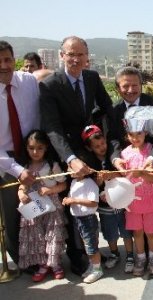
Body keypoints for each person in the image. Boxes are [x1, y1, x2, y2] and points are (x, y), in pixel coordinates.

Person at [39, 36, 117, 276]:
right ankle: (77, 257)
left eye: (80, 54)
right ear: (62, 55)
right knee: (72, 208)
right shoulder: (50, 84)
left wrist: (101, 136)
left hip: (90, 151)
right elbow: (52, 126)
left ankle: (94, 250)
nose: (75, 59)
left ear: (87, 56)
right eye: (70, 54)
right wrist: (70, 157)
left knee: (92, 204)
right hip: (66, 155)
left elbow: (106, 107)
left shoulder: (92, 77)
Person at [0, 40, 39, 270]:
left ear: (14, 60)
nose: (3, 66)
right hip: (5, 160)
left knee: (37, 208)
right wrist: (17, 170)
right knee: (13, 213)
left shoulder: (29, 82)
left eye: (7, 60)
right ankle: (22, 261)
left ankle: (42, 255)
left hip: (34, 153)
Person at [81, 125, 134, 273]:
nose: (101, 147)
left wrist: (111, 175)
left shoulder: (115, 157)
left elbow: (124, 175)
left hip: (122, 205)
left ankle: (130, 255)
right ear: (90, 148)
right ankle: (114, 254)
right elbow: (92, 186)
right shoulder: (91, 164)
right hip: (104, 208)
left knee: (126, 231)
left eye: (103, 143)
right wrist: (98, 181)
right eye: (97, 146)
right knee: (109, 232)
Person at [17, 130, 67, 282]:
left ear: (46, 148)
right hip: (33, 206)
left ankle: (56, 264)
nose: (35, 152)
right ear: (26, 148)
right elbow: (21, 186)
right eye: (31, 148)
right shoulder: (24, 168)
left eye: (39, 148)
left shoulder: (52, 165)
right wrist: (21, 194)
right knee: (37, 236)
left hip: (51, 206)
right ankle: (43, 265)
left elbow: (63, 184)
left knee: (52, 234)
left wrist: (50, 190)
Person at [120, 106, 153, 277]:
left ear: (145, 132)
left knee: (151, 232)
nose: (135, 137)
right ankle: (140, 257)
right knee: (137, 231)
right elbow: (124, 179)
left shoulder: (152, 150)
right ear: (127, 135)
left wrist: (143, 173)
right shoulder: (124, 154)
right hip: (132, 203)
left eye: (139, 133)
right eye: (131, 134)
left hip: (151, 202)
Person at [111, 66, 153, 163]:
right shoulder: (113, 110)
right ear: (118, 88)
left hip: (152, 164)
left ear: (141, 85)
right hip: (124, 163)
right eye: (125, 86)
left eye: (134, 85)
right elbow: (112, 139)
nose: (130, 90)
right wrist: (116, 159)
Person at [62, 173, 102, 284]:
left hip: (88, 219)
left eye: (72, 167)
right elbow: (71, 197)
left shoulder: (89, 183)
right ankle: (92, 265)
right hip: (78, 219)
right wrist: (67, 199)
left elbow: (93, 203)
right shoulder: (74, 182)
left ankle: (97, 269)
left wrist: (74, 200)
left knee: (91, 245)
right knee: (86, 244)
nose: (68, 169)